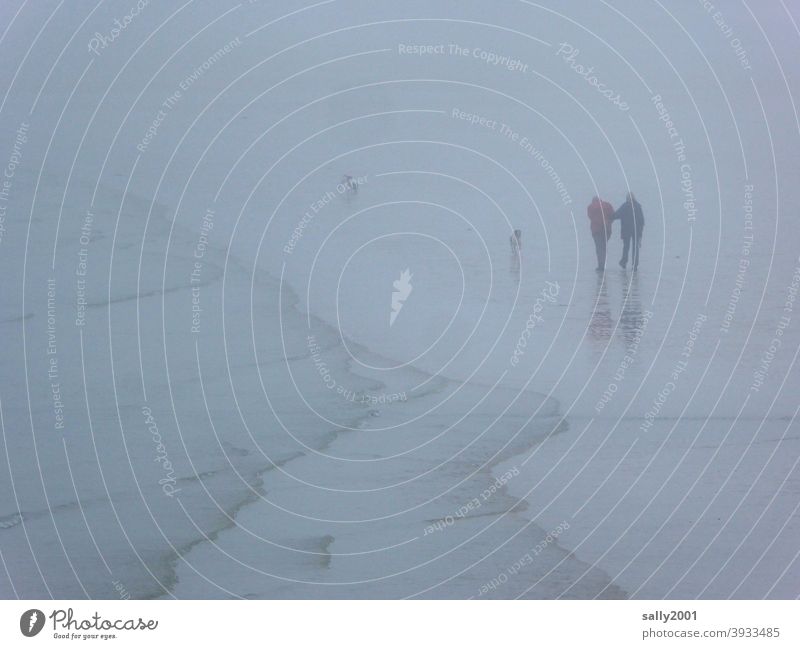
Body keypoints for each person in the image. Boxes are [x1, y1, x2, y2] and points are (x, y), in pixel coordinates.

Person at [613, 192, 644, 270]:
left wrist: (608, 216)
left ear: (627, 198)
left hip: (626, 230)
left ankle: (624, 262)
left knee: (626, 247)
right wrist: (640, 232)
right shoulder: (638, 206)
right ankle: (635, 265)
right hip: (636, 230)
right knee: (635, 248)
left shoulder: (625, 206)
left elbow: (616, 215)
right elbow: (642, 220)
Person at [587, 196, 613, 271]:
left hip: (596, 230)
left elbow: (590, 216)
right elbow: (613, 216)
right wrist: (608, 223)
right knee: (603, 247)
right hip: (607, 230)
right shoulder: (608, 205)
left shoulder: (590, 207)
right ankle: (603, 264)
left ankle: (600, 265)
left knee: (599, 248)